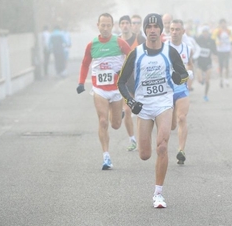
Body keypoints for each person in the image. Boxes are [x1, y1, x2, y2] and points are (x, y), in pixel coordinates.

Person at [117, 13, 188, 208]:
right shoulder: (136, 53)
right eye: (149, 27)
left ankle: (158, 193)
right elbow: (121, 82)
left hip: (164, 103)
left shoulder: (170, 52)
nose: (153, 30)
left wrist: (177, 78)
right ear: (145, 30)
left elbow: (184, 75)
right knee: (145, 154)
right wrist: (131, 103)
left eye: (156, 27)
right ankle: (147, 156)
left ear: (161, 30)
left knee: (163, 146)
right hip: (143, 106)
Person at [76, 13, 131, 169]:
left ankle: (118, 112)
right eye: (103, 25)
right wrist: (81, 82)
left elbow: (133, 57)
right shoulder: (91, 45)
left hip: (116, 90)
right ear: (98, 25)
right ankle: (106, 157)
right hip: (99, 89)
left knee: (115, 125)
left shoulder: (120, 43)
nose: (106, 28)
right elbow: (85, 64)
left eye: (108, 25)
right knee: (102, 121)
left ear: (112, 26)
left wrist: (127, 74)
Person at [118, 15, 146, 151]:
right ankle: (132, 139)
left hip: (139, 80)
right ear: (119, 26)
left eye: (127, 23)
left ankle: (142, 136)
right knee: (127, 110)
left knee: (142, 111)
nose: (125, 25)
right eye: (122, 23)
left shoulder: (140, 40)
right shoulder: (115, 41)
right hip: (125, 81)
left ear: (130, 25)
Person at [168, 19, 193, 164]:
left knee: (182, 118)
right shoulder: (163, 47)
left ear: (183, 32)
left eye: (177, 29)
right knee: (171, 125)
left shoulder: (187, 49)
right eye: (172, 29)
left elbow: (190, 65)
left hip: (181, 89)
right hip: (166, 90)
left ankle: (181, 151)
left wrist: (190, 74)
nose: (174, 32)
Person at [195, 25, 218, 101]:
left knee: (208, 81)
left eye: (206, 32)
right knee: (200, 80)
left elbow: (215, 51)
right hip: (200, 62)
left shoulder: (211, 41)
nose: (205, 34)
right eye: (204, 32)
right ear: (202, 33)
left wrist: (217, 56)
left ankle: (205, 95)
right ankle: (202, 79)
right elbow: (194, 48)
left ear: (208, 33)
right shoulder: (198, 40)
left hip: (208, 62)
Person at [212, 18, 232, 88]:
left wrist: (229, 40)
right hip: (220, 50)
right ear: (220, 24)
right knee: (221, 65)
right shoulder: (217, 31)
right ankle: (221, 79)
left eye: (224, 23)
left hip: (227, 50)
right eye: (222, 23)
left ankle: (226, 79)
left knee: (226, 65)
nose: (223, 25)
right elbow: (213, 38)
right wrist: (217, 42)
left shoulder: (228, 30)